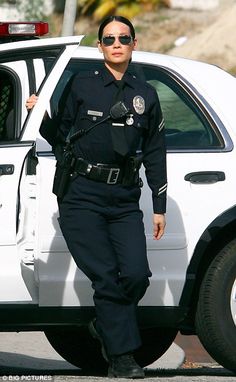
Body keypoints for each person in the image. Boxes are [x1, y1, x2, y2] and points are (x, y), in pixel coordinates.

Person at [26, 15, 167, 379]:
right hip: (81, 196)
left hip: (123, 197)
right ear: (99, 46)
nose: (116, 43)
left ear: (134, 44)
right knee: (106, 276)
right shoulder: (81, 85)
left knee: (136, 275)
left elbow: (155, 151)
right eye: (109, 38)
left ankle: (105, 328)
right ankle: (122, 360)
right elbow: (60, 136)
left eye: (123, 37)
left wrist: (160, 206)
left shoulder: (146, 93)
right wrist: (37, 112)